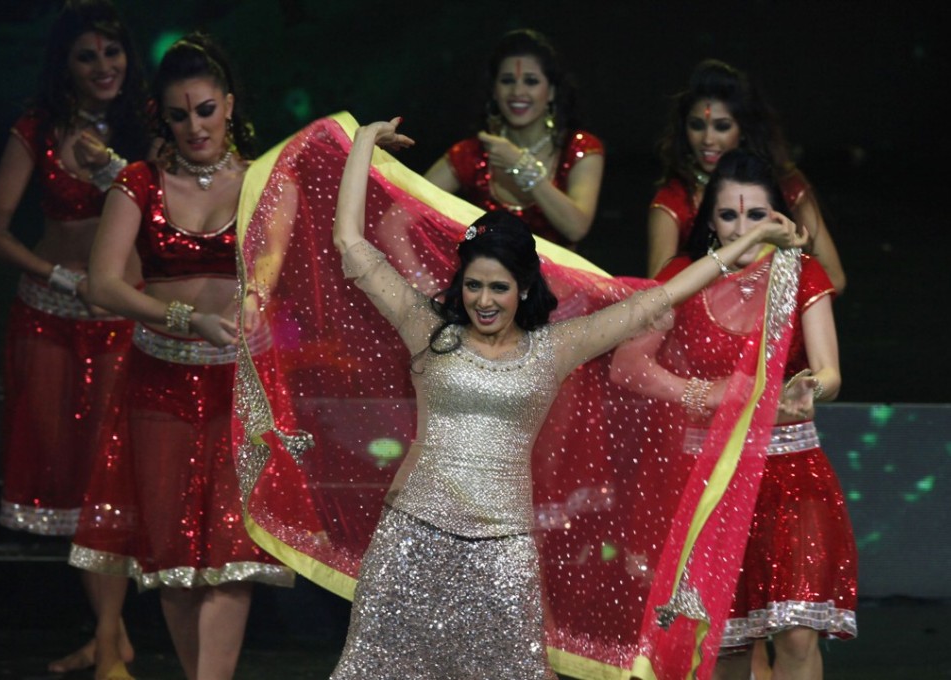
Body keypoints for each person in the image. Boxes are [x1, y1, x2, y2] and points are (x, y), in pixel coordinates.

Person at [322, 119, 806, 678]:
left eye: (498, 287)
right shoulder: (429, 331)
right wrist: (361, 146)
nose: (484, 299)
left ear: (523, 289)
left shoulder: (553, 348)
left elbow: (661, 297)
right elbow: (350, 243)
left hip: (503, 556)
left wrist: (747, 242)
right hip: (411, 542)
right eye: (473, 285)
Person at [68, 34, 292, 680]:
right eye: (178, 115)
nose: (194, 126)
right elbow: (102, 282)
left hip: (235, 387)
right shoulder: (139, 183)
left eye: (204, 110)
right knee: (173, 556)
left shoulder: (260, 182)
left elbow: (278, 274)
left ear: (227, 105)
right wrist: (182, 317)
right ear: (161, 118)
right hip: (157, 382)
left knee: (230, 548)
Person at [628, 150, 857, 679]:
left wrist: (805, 391)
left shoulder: (801, 272)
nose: (742, 227)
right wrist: (702, 395)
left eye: (756, 215)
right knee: (723, 643)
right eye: (729, 216)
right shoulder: (684, 275)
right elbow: (630, 366)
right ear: (710, 220)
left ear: (778, 217)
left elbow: (830, 374)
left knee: (797, 633)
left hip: (791, 471)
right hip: (708, 479)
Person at [0, 0, 151, 674]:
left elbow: (172, 209)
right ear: (66, 65)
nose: (103, 66)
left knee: (112, 479)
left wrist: (111, 168)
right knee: (74, 481)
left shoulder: (153, 124)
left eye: (112, 52)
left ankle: (109, 643)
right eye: (87, 55)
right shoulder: (38, 127)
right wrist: (58, 276)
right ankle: (110, 637)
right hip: (48, 319)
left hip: (123, 320)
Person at [647, 59, 846, 294]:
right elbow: (658, 294)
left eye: (722, 127)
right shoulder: (675, 197)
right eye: (697, 125)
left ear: (743, 130)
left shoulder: (785, 184)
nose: (708, 139)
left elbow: (834, 278)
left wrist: (770, 302)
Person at [424, 28, 604, 249]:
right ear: (494, 91)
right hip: (486, 281)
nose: (518, 91)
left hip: (555, 282)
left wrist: (520, 165)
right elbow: (409, 208)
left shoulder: (580, 147)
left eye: (531, 81)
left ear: (552, 92)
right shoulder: (472, 152)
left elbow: (576, 227)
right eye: (507, 80)